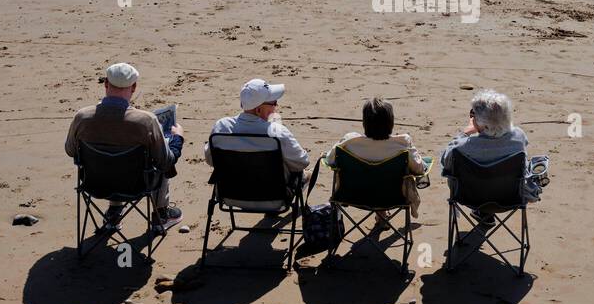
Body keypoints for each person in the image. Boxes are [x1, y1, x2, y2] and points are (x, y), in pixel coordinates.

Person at [65, 62, 185, 231]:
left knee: (112, 159)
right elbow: (165, 161)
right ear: (134, 87)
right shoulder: (146, 121)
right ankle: (161, 214)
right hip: (136, 186)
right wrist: (177, 138)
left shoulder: (82, 117)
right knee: (161, 153)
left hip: (94, 184)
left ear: (106, 84)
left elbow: (70, 151)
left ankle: (113, 213)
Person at [327, 96, 428, 224]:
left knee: (372, 174)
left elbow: (329, 160)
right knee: (391, 175)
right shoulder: (402, 143)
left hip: (353, 196)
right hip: (394, 197)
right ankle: (382, 213)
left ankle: (381, 215)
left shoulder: (349, 142)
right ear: (391, 122)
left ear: (364, 123)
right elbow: (418, 169)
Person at [441, 90, 531, 226]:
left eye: (473, 115)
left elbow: (445, 160)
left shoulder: (462, 148)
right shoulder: (519, 137)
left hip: (469, 197)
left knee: (459, 172)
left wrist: (465, 133)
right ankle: (485, 213)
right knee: (494, 176)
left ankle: (482, 211)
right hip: (510, 197)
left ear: (481, 122)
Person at [208, 78, 309, 180]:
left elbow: (210, 160)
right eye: (273, 103)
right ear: (259, 110)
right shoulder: (277, 132)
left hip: (229, 192)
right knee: (302, 175)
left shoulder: (221, 127)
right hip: (272, 194)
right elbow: (301, 162)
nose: (276, 106)